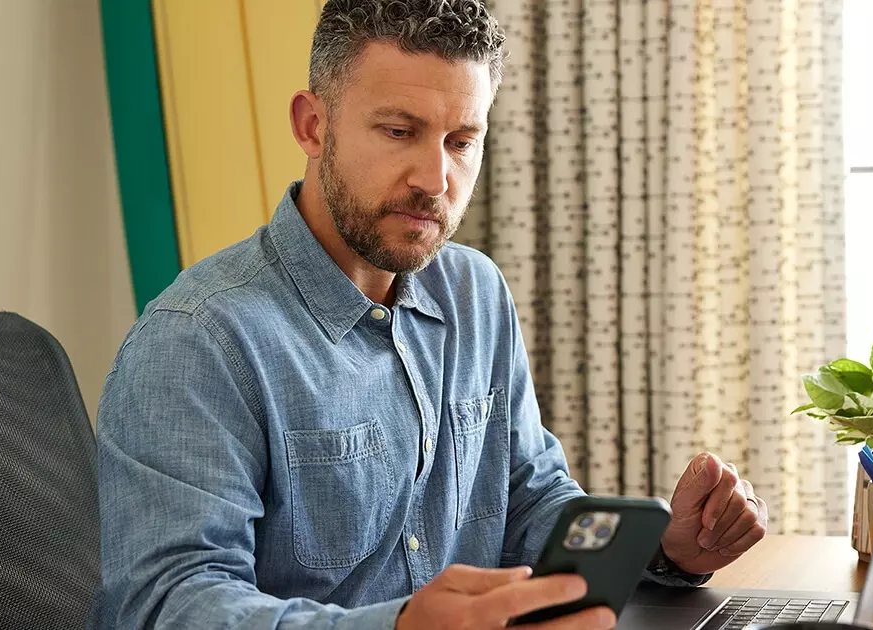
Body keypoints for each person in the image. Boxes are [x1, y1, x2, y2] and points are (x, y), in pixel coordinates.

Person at [96, 1, 769, 628]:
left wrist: (667, 551)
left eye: (461, 142)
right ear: (312, 125)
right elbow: (167, 604)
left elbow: (531, 502)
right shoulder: (200, 340)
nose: (434, 179)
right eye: (399, 130)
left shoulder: (475, 291)